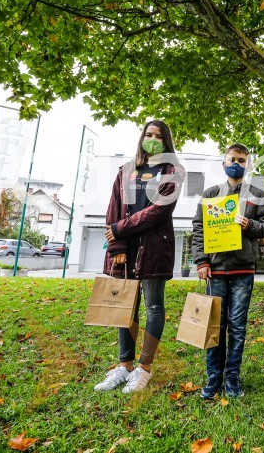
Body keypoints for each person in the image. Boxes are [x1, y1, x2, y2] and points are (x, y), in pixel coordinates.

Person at [94, 120, 184, 394]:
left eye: (159, 136)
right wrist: (117, 246)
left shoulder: (173, 172)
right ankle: (124, 366)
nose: (153, 139)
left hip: (155, 248)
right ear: (141, 137)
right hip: (125, 250)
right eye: (149, 134)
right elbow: (114, 210)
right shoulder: (126, 170)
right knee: (125, 307)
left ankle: (144, 368)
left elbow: (158, 210)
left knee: (153, 307)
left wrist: (120, 228)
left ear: (167, 141)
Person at [191, 144, 264, 400]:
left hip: (243, 270)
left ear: (248, 165)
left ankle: (232, 377)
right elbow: (198, 229)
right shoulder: (211, 193)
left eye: (241, 160)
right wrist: (202, 262)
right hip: (215, 270)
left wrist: (249, 224)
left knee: (237, 326)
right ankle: (213, 377)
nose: (236, 163)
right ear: (223, 163)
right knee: (215, 325)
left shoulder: (257, 194)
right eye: (232, 159)